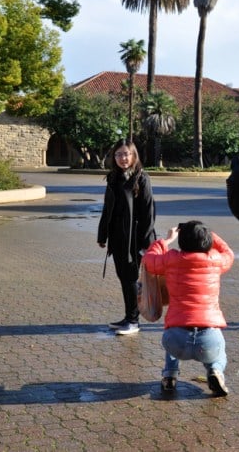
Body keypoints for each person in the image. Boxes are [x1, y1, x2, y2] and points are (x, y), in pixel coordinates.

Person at [143, 221, 234, 396]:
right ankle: (215, 371)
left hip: (175, 340)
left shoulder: (171, 259)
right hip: (208, 341)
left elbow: (148, 260)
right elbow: (228, 253)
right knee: (218, 355)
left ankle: (169, 375)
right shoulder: (215, 260)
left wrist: (166, 240)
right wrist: (211, 235)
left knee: (173, 331)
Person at [97, 139, 156, 336]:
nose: (123, 158)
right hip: (118, 237)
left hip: (135, 237)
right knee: (123, 277)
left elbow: (149, 213)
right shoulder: (113, 178)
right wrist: (102, 234)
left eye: (126, 154)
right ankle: (128, 316)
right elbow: (107, 209)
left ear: (133, 155)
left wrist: (147, 242)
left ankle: (133, 320)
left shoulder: (141, 178)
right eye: (118, 155)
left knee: (131, 277)